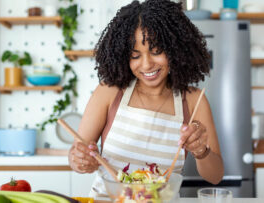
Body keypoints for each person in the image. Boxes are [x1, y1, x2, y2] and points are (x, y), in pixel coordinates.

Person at [68, 0, 224, 197]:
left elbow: (215, 176)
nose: (147, 64)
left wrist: (201, 151)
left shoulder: (193, 100)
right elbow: (77, 154)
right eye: (135, 56)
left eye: (156, 51)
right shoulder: (110, 92)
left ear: (176, 48)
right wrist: (80, 160)